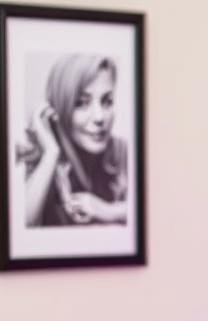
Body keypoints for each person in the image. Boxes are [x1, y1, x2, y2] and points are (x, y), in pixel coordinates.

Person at [18, 54, 128, 227]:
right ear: (58, 108)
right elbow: (18, 227)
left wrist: (108, 211)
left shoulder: (122, 151)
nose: (100, 117)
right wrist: (51, 154)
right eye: (81, 103)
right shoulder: (36, 158)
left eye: (107, 101)